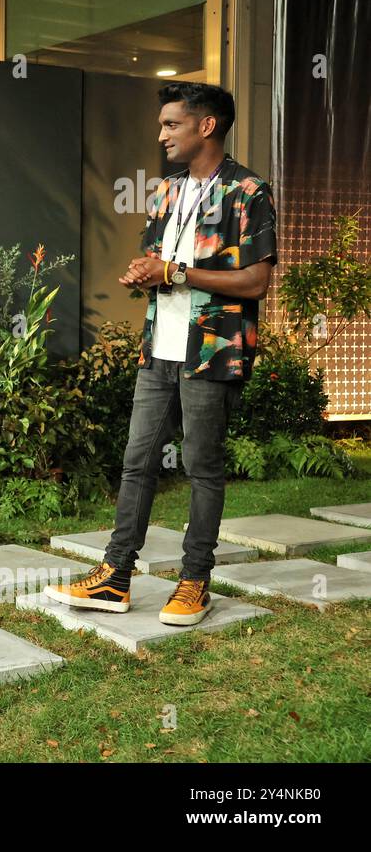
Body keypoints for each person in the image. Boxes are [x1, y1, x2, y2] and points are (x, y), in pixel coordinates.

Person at [45, 82, 278, 626]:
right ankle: (114, 578)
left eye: (171, 124)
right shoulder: (165, 193)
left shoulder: (248, 191)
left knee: (202, 467)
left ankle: (195, 581)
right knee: (137, 462)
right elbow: (159, 263)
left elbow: (257, 281)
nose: (161, 135)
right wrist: (143, 273)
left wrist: (173, 272)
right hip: (160, 351)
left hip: (212, 351)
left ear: (206, 126)